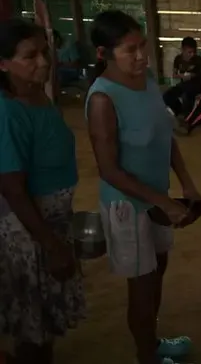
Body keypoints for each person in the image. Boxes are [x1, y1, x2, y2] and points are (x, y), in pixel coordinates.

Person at [86, 10, 201, 364]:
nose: (141, 56)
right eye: (130, 50)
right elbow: (109, 170)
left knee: (155, 277)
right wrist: (162, 202)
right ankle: (146, 357)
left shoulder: (148, 79)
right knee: (141, 288)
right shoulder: (102, 99)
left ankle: (152, 343)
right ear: (103, 54)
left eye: (142, 46)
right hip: (127, 207)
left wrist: (186, 184)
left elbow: (164, 136)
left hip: (156, 201)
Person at [0, 19, 85, 364]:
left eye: (44, 52)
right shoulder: (8, 111)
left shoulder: (38, 97)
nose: (43, 61)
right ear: (3, 63)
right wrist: (51, 245)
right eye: (30, 56)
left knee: (43, 327)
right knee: (32, 332)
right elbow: (12, 188)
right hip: (28, 233)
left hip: (49, 225)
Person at [162, 36, 201, 119]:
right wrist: (181, 76)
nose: (192, 54)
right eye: (189, 52)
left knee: (186, 95)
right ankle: (175, 110)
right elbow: (174, 75)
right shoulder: (178, 59)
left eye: (194, 52)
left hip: (196, 85)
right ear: (182, 50)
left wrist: (193, 75)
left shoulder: (198, 60)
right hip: (183, 85)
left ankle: (178, 113)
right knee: (167, 96)